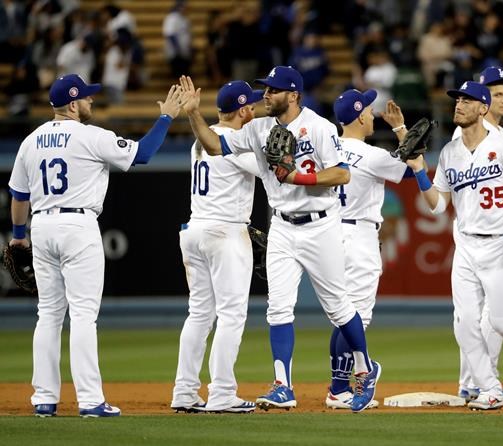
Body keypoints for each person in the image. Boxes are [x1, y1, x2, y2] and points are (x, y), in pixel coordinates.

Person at [178, 66, 381, 413]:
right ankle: (282, 385)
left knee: (338, 307)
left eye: (273, 90)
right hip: (283, 226)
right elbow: (214, 146)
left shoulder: (317, 126)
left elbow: (342, 173)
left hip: (321, 225)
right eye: (265, 89)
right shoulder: (258, 128)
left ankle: (365, 370)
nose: (266, 95)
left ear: (294, 95)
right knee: (278, 308)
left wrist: (297, 177)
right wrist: (194, 114)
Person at [8, 74, 184, 417]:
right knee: (84, 316)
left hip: (41, 224)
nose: (91, 102)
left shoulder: (31, 141)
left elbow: (19, 195)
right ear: (72, 104)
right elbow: (143, 155)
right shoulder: (90, 136)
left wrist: (18, 234)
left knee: (48, 315)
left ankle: (44, 398)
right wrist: (166, 117)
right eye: (86, 98)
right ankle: (90, 400)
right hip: (78, 225)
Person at [406, 80, 503, 411]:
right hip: (466, 247)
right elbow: (437, 205)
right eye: (457, 99)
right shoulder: (449, 152)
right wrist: (419, 171)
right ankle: (488, 388)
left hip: (502, 246)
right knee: (464, 323)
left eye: (468, 100)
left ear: (483, 108)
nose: (459, 104)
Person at [171, 81, 264, 414]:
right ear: (242, 110)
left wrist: (194, 114)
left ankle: (184, 391)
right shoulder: (235, 143)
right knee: (231, 314)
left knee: (199, 314)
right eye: (251, 106)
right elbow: (273, 172)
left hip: (195, 230)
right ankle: (223, 392)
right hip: (225, 232)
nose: (255, 110)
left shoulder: (201, 138)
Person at [326, 90, 411, 410]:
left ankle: (338, 388)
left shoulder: (325, 150)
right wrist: (401, 129)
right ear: (360, 116)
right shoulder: (372, 155)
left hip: (328, 234)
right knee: (356, 317)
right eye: (370, 111)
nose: (373, 115)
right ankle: (362, 372)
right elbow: (411, 168)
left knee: (341, 316)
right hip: (359, 236)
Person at [451, 65, 503, 403]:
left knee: (488, 316)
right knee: (476, 316)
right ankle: (476, 382)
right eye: (497, 93)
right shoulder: (469, 135)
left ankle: (478, 380)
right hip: (477, 236)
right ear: (482, 100)